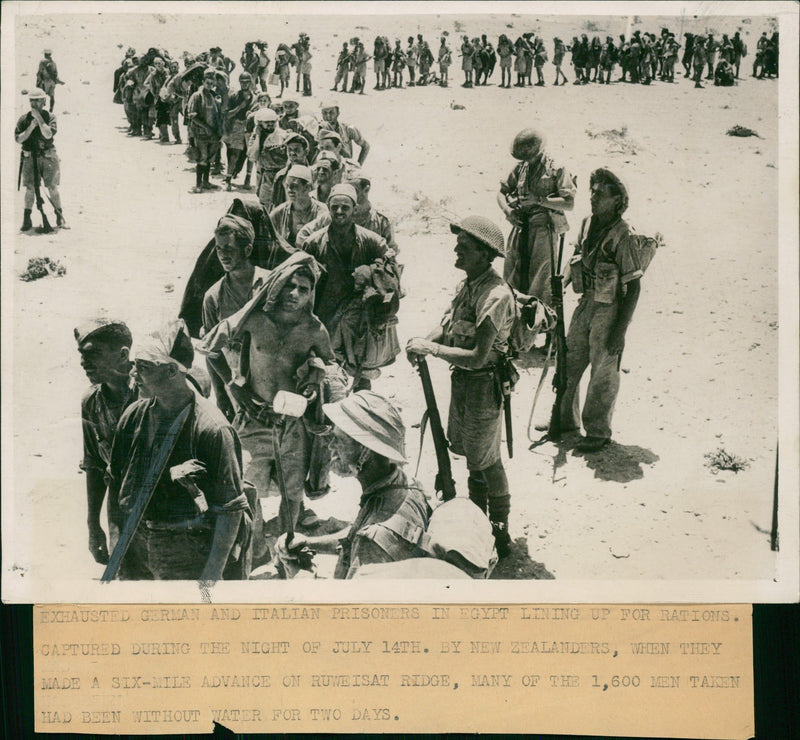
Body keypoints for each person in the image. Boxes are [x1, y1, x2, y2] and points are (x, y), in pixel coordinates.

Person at [201, 253, 334, 538]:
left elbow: (333, 367)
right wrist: (233, 386)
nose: (295, 294)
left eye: (304, 289)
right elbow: (211, 346)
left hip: (293, 424)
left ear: (311, 294)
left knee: (293, 490)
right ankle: (256, 546)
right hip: (253, 418)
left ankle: (288, 545)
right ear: (278, 285)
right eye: (290, 285)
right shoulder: (255, 319)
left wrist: (316, 376)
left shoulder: (314, 329)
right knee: (246, 488)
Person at [107, 319, 251, 581]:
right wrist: (116, 546)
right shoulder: (132, 416)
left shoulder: (212, 429)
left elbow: (232, 509)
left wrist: (211, 577)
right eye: (135, 366)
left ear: (172, 371)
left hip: (186, 551)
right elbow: (115, 481)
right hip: (136, 545)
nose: (133, 374)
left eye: (144, 367)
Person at [406, 216, 515, 556]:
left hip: (484, 385)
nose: (456, 250)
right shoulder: (466, 286)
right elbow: (447, 327)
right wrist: (423, 340)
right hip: (463, 382)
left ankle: (499, 532)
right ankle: (476, 521)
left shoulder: (496, 295)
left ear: (484, 254)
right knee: (468, 453)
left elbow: (480, 356)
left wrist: (433, 350)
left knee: (487, 459)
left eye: (464, 247)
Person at [276, 391, 431, 578]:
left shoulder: (372, 544)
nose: (330, 446)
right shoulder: (405, 485)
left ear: (365, 450)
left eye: (338, 440)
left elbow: (351, 604)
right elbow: (357, 533)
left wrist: (300, 573)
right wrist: (309, 542)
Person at [559, 169, 659, 453]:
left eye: (600, 194)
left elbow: (634, 288)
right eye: (592, 191)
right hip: (586, 303)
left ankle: (598, 431)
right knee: (570, 360)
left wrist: (620, 331)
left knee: (603, 372)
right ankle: (565, 420)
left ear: (617, 201)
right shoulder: (587, 224)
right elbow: (575, 258)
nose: (593, 198)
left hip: (609, 309)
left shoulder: (623, 235)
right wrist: (562, 281)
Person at [75, 319, 138, 565]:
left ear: (123, 355)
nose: (83, 363)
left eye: (93, 354)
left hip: (164, 508)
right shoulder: (91, 402)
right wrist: (93, 525)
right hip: (120, 509)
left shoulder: (153, 391)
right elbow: (94, 465)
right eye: (81, 355)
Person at [497, 129, 575, 308]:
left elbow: (569, 203)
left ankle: (538, 322)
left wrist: (540, 200)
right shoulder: (521, 167)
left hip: (544, 230)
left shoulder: (557, 169)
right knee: (511, 276)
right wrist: (508, 211)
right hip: (520, 227)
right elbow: (501, 193)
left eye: (530, 156)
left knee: (540, 281)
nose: (527, 160)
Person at [15, 88, 67, 231]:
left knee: (52, 187)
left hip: (47, 156)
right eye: (31, 100)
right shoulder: (23, 119)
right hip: (29, 157)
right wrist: (31, 127)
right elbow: (19, 139)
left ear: (44, 101)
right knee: (30, 189)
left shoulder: (50, 117)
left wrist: (38, 118)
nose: (34, 103)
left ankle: (59, 216)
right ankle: (27, 219)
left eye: (37, 100)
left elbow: (48, 134)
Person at [269, 164, 329, 247]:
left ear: (307, 187)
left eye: (294, 186)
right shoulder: (278, 213)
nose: (289, 190)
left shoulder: (323, 213)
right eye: (287, 186)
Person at [186, 67, 223, 193]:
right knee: (202, 158)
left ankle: (206, 182)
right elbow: (192, 115)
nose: (210, 85)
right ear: (203, 81)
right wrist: (206, 128)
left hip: (212, 134)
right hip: (200, 133)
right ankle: (198, 184)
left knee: (208, 158)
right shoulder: (197, 96)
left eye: (212, 83)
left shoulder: (213, 97)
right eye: (207, 82)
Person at [248, 106, 288, 207]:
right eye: (267, 122)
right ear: (260, 123)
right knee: (264, 203)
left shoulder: (283, 135)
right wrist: (257, 136)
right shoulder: (256, 136)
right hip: (264, 174)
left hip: (280, 175)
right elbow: (252, 156)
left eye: (272, 122)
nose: (270, 124)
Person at [222, 71, 255, 191]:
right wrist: (240, 107)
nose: (244, 84)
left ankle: (248, 179)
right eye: (242, 82)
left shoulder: (256, 97)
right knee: (234, 154)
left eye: (247, 82)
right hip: (238, 125)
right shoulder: (234, 96)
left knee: (251, 154)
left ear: (250, 82)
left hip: (251, 126)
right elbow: (227, 115)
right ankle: (228, 179)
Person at [318, 100, 370, 165]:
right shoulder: (318, 130)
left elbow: (366, 146)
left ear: (338, 113)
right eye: (325, 113)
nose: (328, 116)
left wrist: (358, 165)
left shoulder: (349, 129)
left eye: (331, 113)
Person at [270, 132, 310, 209]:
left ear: (306, 152)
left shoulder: (313, 174)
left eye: (296, 150)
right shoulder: (281, 176)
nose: (292, 153)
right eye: (289, 149)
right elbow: (275, 204)